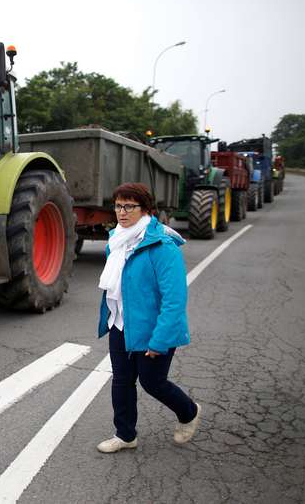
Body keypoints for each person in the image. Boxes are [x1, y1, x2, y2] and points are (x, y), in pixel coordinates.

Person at [96, 182, 201, 453]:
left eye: (130, 206)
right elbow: (117, 286)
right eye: (119, 205)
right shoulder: (116, 241)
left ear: (146, 210)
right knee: (121, 381)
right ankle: (125, 435)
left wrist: (160, 340)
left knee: (153, 382)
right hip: (121, 323)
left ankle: (189, 412)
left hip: (154, 330)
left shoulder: (163, 246)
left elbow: (174, 300)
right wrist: (109, 318)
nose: (122, 212)